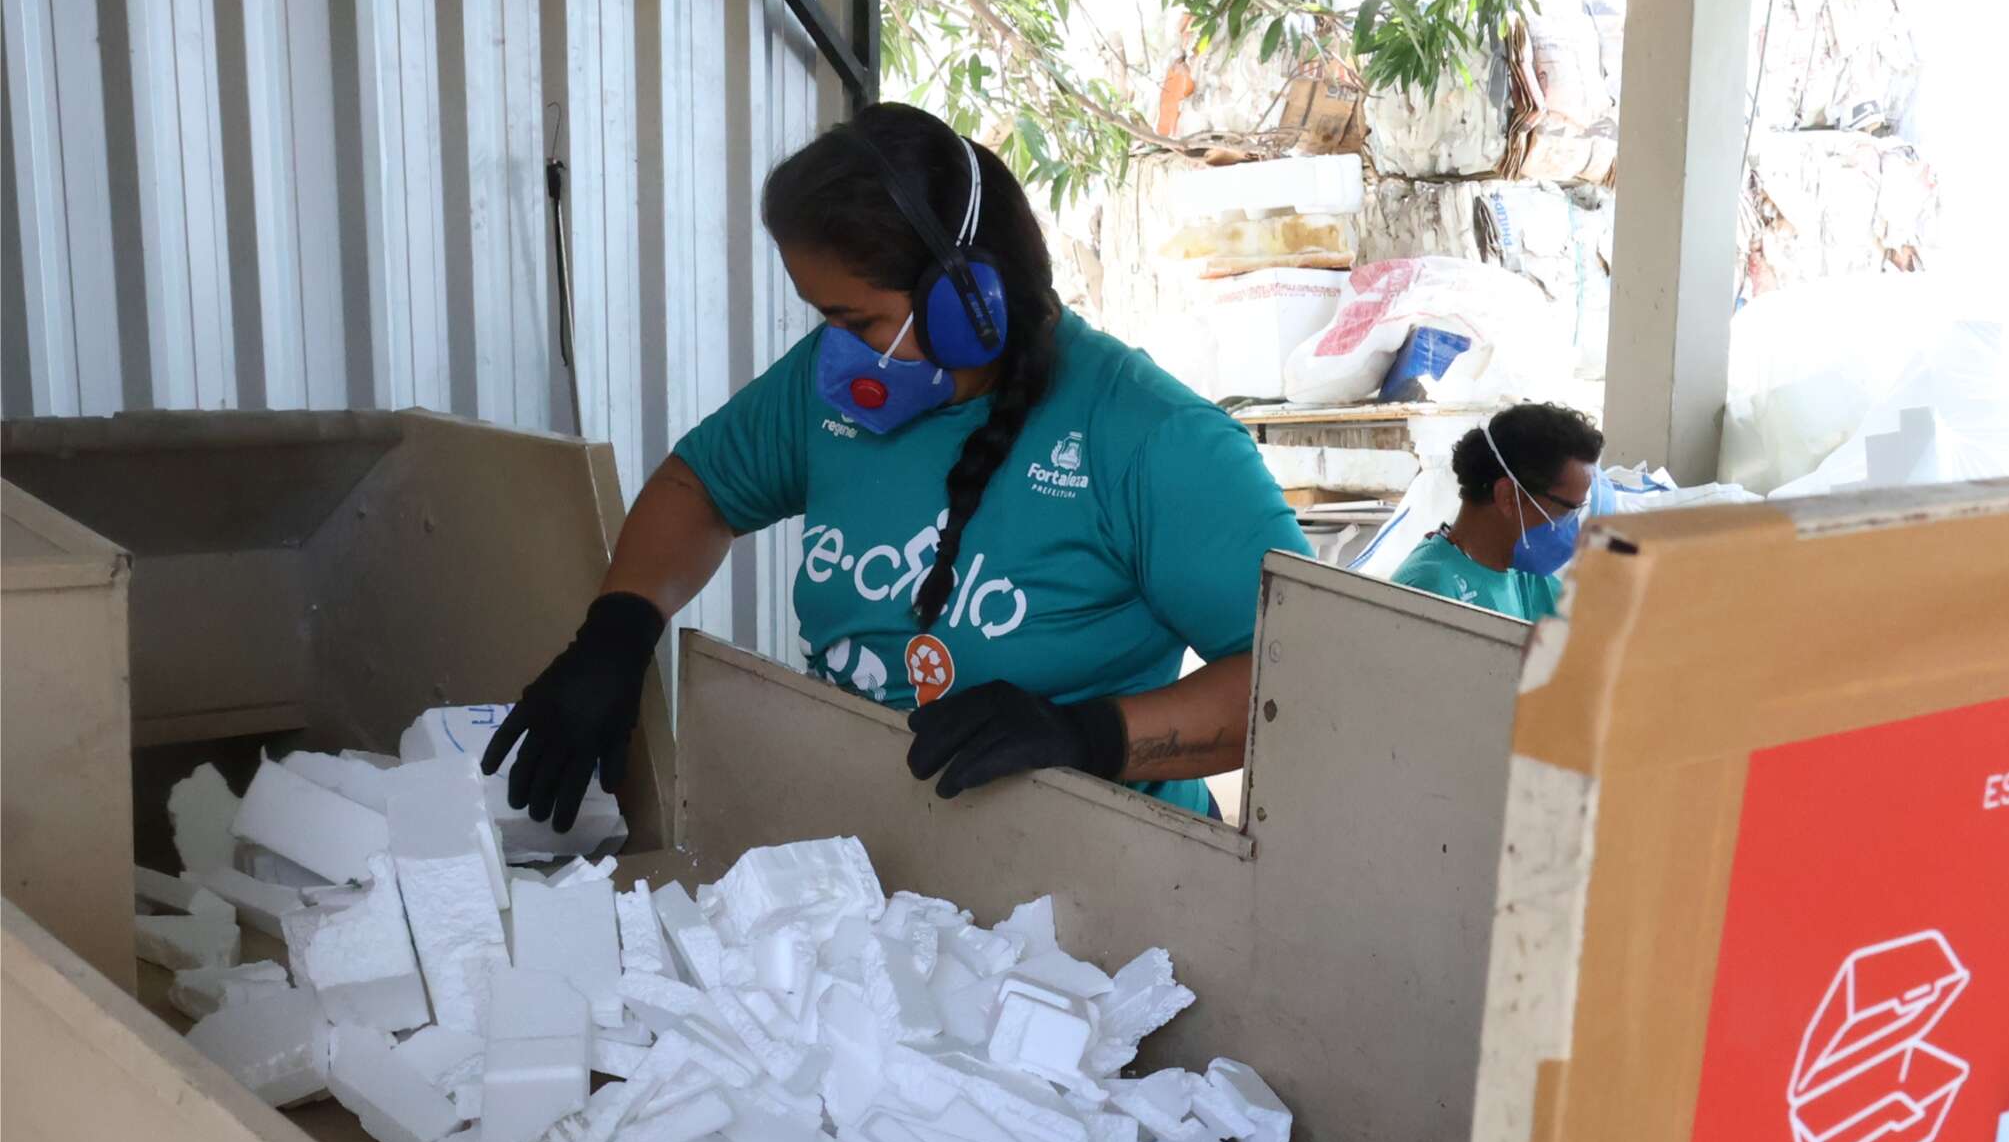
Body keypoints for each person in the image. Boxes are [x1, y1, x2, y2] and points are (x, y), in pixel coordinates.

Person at [485, 103, 1308, 827]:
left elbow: (1304, 680)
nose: (835, 349)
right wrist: (619, 631)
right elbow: (699, 486)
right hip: (879, 841)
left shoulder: (1150, 439)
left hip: (1096, 872)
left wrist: (1093, 735)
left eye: (857, 318)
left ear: (968, 302)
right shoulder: (831, 390)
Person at [1390, 402, 1604, 620]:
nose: (1574, 529)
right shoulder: (1428, 593)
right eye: (1565, 512)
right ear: (1508, 497)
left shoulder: (1522, 575)